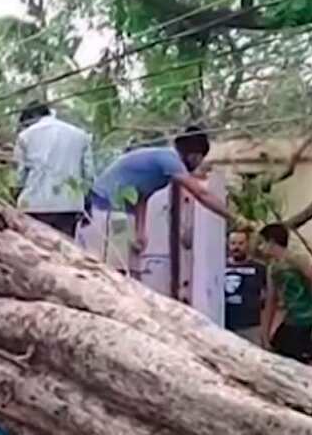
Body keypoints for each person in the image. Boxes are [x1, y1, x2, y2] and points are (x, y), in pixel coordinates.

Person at [78, 124, 242, 273]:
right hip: (107, 208)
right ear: (195, 155)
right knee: (115, 268)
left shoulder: (164, 164)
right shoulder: (170, 160)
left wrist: (141, 231)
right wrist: (233, 217)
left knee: (130, 266)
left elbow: (142, 196)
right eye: (200, 159)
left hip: (121, 211)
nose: (199, 164)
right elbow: (201, 194)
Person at [14, 101, 94, 237]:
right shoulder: (80, 136)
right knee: (65, 251)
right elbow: (89, 175)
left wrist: (16, 197)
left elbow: (19, 177)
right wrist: (86, 203)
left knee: (34, 250)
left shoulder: (25, 136)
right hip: (68, 206)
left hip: (34, 205)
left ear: (31, 117)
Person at [258, 223, 312, 365]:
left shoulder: (296, 260)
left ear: (271, 242)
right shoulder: (273, 268)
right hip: (291, 320)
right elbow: (271, 301)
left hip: (306, 320)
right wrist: (265, 334)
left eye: (262, 243)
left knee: (301, 363)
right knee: (279, 356)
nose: (260, 248)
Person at [225, 228, 266, 344]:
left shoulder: (259, 268)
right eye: (233, 243)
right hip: (225, 324)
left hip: (251, 326)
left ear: (247, 244)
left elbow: (269, 298)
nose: (236, 247)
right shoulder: (219, 265)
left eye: (240, 243)